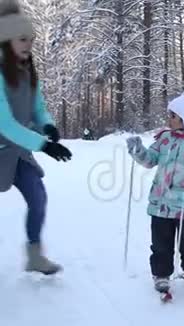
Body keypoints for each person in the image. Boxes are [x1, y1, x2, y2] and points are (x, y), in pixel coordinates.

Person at [0, 0, 73, 275]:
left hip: (18, 152)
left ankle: (34, 255)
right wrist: (43, 146)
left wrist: (48, 127)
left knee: (38, 197)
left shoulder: (28, 71)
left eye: (30, 38)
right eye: (22, 39)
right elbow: (4, 123)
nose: (28, 44)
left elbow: (38, 108)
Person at [126, 89, 184, 292]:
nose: (170, 119)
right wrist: (138, 151)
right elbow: (150, 160)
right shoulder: (165, 139)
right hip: (162, 203)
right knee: (161, 242)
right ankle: (161, 273)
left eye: (174, 116)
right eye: (170, 114)